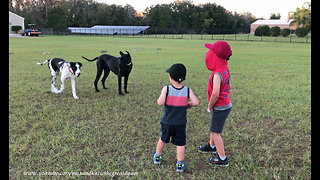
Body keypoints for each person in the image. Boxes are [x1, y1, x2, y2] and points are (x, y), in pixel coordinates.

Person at [153, 63, 199, 172]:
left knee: (163, 139)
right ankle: (179, 164)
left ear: (170, 77)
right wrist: (189, 104)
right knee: (180, 143)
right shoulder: (187, 90)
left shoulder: (167, 89)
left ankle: (158, 156)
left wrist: (163, 95)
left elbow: (160, 102)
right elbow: (196, 102)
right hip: (180, 123)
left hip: (167, 122)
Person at [198, 41, 232, 167]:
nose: (208, 53)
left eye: (211, 51)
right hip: (225, 105)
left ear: (216, 56)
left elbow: (215, 94)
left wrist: (210, 105)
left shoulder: (217, 74)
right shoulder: (224, 68)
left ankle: (222, 158)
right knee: (213, 128)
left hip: (220, 107)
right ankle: (211, 146)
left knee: (215, 132)